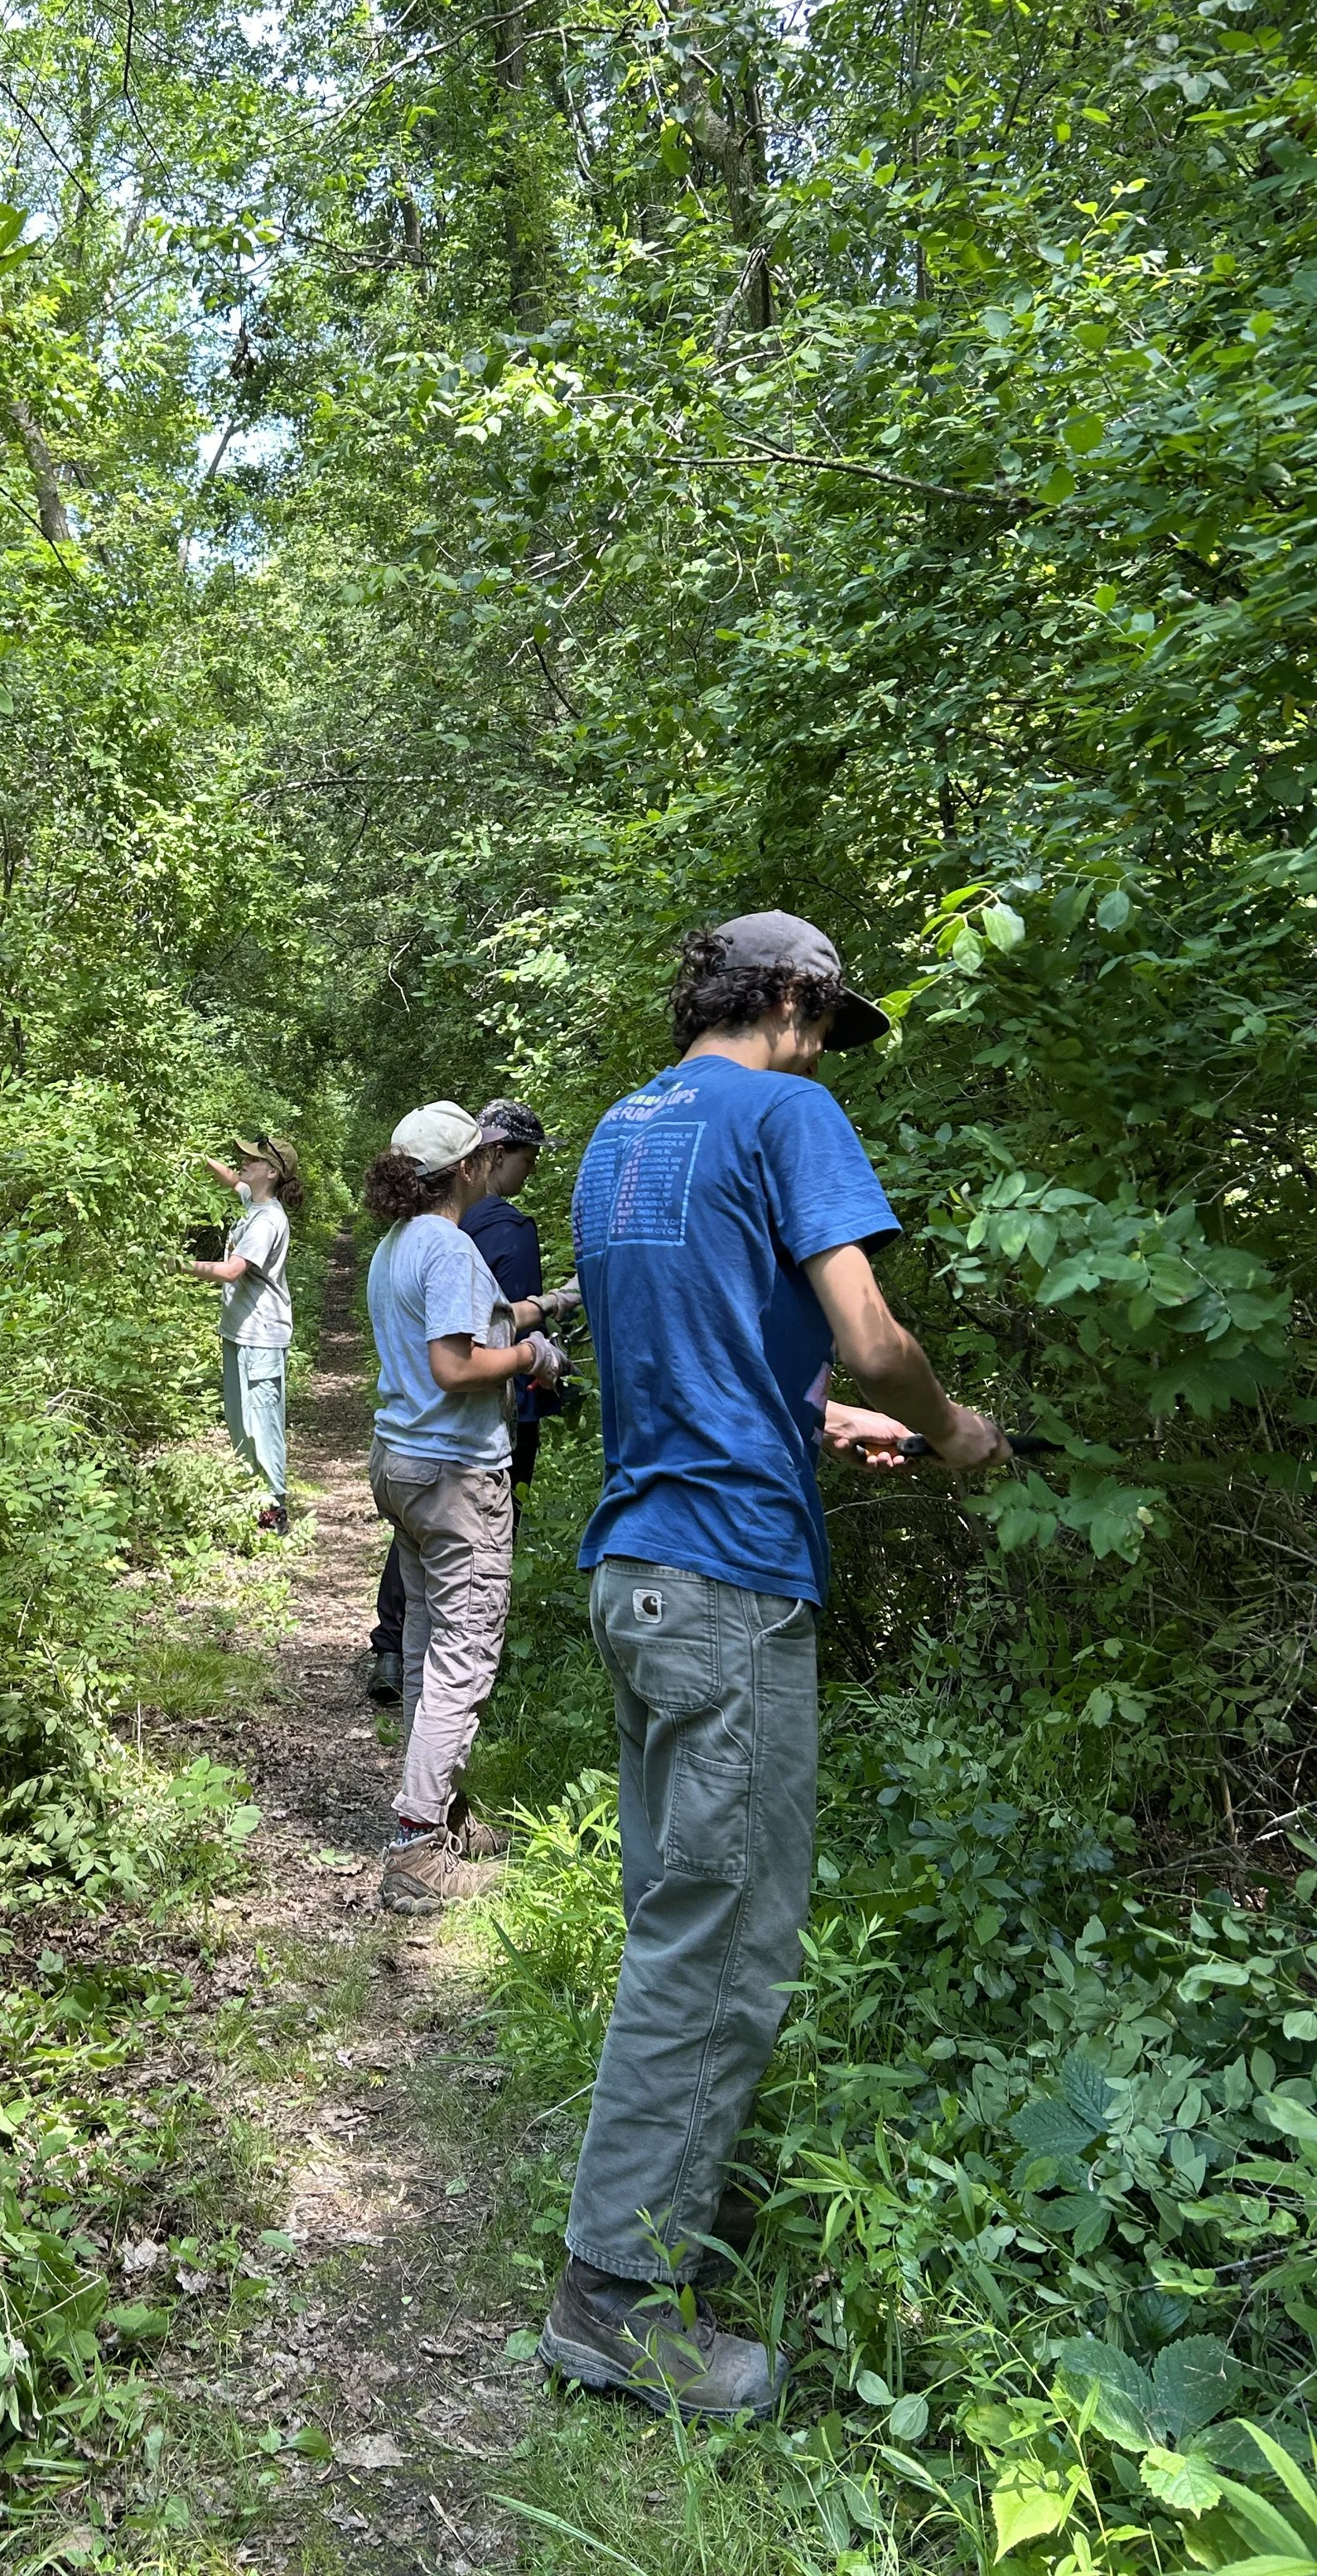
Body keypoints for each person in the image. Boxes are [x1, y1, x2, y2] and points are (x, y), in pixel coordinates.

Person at [538, 913, 1007, 2423]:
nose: (826, 1048)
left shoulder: (619, 1131)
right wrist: (949, 1427)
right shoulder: (788, 1109)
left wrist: (811, 1422)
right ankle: (618, 2297)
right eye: (826, 1018)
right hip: (728, 1578)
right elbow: (870, 1336)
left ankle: (643, 2222)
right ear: (790, 995)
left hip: (636, 1564)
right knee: (728, 1934)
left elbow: (690, 1350)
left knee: (684, 1912)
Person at [362, 1102, 572, 1914]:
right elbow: (456, 1364)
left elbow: (466, 1320)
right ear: (470, 1167)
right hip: (454, 1474)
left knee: (426, 1637)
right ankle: (419, 1847)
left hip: (402, 1463)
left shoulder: (399, 1246)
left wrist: (539, 1309)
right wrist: (532, 1358)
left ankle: (438, 1815)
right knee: (466, 1648)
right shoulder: (449, 1245)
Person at [186, 1133, 302, 1534]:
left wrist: (178, 1266)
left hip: (262, 1336)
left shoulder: (269, 1220)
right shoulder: (254, 1202)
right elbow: (231, 1180)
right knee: (239, 1422)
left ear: (271, 1172)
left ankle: (275, 1512)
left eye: (252, 1161)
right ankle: (251, 1502)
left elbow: (232, 1270)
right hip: (238, 1331)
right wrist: (197, 1156)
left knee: (262, 1423)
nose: (242, 1165)